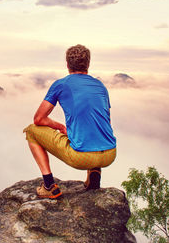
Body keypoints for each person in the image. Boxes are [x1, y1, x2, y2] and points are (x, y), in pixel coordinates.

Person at [23, 44, 116, 199]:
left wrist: (60, 127)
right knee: (95, 128)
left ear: (67, 64)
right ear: (88, 64)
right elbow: (106, 121)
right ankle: (94, 172)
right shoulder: (101, 86)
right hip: (110, 153)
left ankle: (48, 186)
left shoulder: (61, 84)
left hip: (82, 157)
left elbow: (39, 119)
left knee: (31, 130)